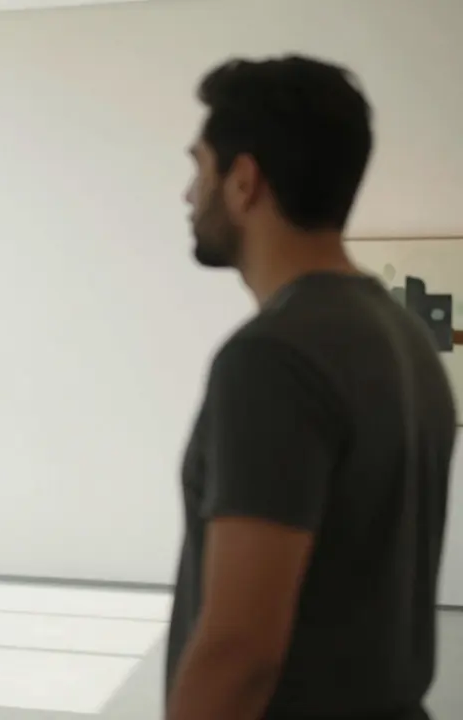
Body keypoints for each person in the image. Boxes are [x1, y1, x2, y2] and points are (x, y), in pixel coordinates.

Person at [165, 54, 456, 720]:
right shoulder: (405, 339)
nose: (188, 193)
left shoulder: (271, 358)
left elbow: (241, 651)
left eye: (198, 165)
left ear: (244, 180)